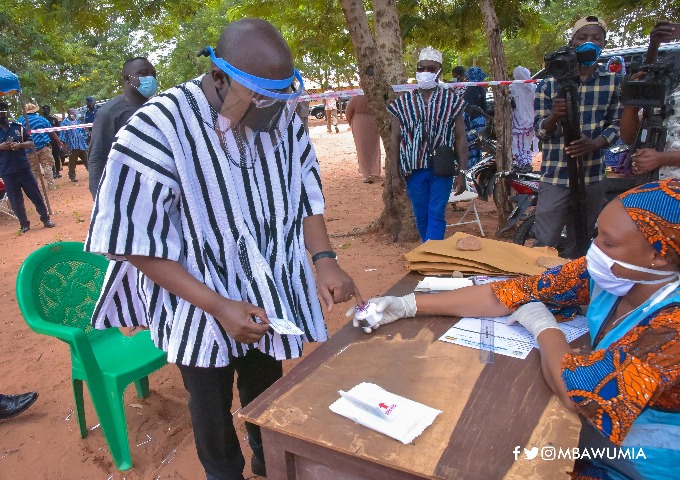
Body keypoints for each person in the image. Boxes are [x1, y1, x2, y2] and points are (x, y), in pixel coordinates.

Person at [84, 18, 362, 480]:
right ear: (219, 78)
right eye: (257, 97)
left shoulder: (279, 118)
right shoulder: (158, 127)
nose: (271, 109)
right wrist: (217, 304)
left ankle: (265, 459)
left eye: (279, 97)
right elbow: (133, 240)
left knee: (264, 379)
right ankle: (223, 472)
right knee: (209, 398)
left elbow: (305, 190)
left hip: (262, 288)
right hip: (194, 297)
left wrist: (325, 259)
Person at [349, 178, 680, 480]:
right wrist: (410, 305)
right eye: (597, 235)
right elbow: (510, 294)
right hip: (597, 440)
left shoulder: (672, 329)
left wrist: (543, 327)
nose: (593, 249)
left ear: (659, 256)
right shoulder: (613, 274)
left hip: (639, 465)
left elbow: (574, 393)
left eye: (608, 243)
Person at [534, 16, 622, 258]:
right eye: (582, 37)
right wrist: (553, 117)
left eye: (596, 38)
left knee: (580, 241)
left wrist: (594, 144)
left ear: (604, 43)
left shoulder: (612, 82)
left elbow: (617, 126)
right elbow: (539, 131)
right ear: (572, 42)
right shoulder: (548, 85)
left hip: (592, 175)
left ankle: (575, 291)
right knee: (544, 241)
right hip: (555, 175)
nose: (589, 42)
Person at [388, 46, 468, 242]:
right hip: (414, 169)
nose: (425, 72)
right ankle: (430, 252)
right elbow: (395, 139)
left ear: (439, 71)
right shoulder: (403, 103)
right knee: (421, 215)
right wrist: (395, 175)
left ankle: (432, 256)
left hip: (442, 168)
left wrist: (463, 172)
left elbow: (460, 138)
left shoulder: (451, 100)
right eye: (421, 68)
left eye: (431, 69)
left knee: (436, 214)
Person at [88, 57, 157, 198]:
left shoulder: (156, 108)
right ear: (127, 79)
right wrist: (100, 200)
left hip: (154, 191)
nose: (150, 78)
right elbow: (97, 158)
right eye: (143, 74)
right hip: (125, 193)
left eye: (153, 74)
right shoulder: (109, 113)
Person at [620, 22, 680, 180]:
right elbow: (628, 137)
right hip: (653, 185)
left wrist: (661, 158)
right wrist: (632, 98)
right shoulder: (666, 89)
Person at [0, 102, 56, 233]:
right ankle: (24, 223)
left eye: (3, 114)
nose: (2, 117)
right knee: (15, 200)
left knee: (35, 194)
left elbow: (31, 142)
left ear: (7, 114)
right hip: (7, 171)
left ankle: (45, 218)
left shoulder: (18, 127)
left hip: (23, 168)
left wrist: (19, 145)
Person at [17, 103, 64, 191]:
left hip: (29, 148)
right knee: (47, 166)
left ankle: (35, 188)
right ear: (35, 110)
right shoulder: (42, 119)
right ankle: (51, 186)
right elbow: (51, 132)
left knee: (33, 169)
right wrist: (58, 141)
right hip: (44, 146)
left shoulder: (20, 120)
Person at [345, 93, 381, 183]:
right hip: (374, 121)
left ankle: (368, 174)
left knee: (362, 148)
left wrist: (351, 122)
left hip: (359, 122)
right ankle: (376, 171)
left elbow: (348, 112)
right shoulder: (375, 94)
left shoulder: (356, 96)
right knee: (375, 148)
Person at [602, 57, 629, 171]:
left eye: (617, 64)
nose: (614, 66)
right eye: (612, 64)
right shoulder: (602, 84)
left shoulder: (625, 83)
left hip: (619, 124)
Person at [509, 66, 536, 173]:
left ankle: (523, 163)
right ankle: (526, 162)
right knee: (526, 144)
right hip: (531, 119)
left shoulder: (513, 87)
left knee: (518, 143)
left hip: (520, 119)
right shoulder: (533, 87)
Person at [462, 67, 488, 168]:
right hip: (481, 121)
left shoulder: (471, 89)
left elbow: (467, 108)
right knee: (477, 146)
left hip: (473, 122)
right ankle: (476, 166)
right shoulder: (481, 88)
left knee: (471, 146)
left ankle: (471, 168)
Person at [59, 108, 89, 182]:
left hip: (81, 144)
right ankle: (72, 176)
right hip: (72, 146)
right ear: (69, 114)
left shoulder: (78, 122)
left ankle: (93, 173)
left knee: (87, 160)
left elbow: (84, 131)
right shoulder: (64, 123)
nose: (75, 114)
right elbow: (62, 136)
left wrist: (85, 139)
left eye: (75, 112)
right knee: (72, 162)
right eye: (73, 113)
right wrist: (65, 146)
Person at [41, 105, 62, 178]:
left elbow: (58, 131)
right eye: (44, 110)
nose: (45, 111)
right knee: (49, 157)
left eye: (47, 110)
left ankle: (58, 171)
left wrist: (59, 140)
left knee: (56, 156)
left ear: (49, 110)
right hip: (46, 142)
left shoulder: (54, 120)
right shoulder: (41, 120)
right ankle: (52, 172)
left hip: (54, 141)